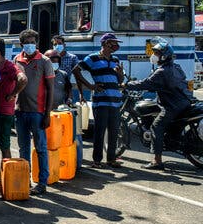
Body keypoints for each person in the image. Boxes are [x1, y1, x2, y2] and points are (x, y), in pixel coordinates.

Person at [125, 39, 192, 169]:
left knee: (156, 127)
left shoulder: (162, 71)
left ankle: (157, 161)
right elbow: (172, 82)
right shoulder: (175, 67)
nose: (153, 55)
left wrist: (126, 85)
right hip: (184, 101)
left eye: (156, 53)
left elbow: (144, 83)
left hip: (173, 105)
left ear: (164, 55)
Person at [74, 33, 124, 169]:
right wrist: (90, 86)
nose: (116, 45)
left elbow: (119, 81)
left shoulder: (115, 59)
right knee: (100, 131)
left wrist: (120, 74)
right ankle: (97, 161)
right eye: (113, 43)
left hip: (115, 100)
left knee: (114, 131)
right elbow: (76, 71)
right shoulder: (92, 58)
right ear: (106, 43)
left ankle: (111, 159)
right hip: (101, 101)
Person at [14, 29, 54, 195]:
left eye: (33, 42)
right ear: (22, 44)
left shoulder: (44, 61)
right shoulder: (17, 59)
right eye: (27, 42)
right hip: (20, 111)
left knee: (41, 148)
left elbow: (50, 90)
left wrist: (47, 114)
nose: (30, 45)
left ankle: (42, 181)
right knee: (23, 148)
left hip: (38, 112)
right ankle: (26, 179)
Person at [0, 39, 27, 165]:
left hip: (3, 112)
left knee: (4, 146)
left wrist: (12, 94)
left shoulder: (10, 66)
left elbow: (23, 79)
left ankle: (7, 176)